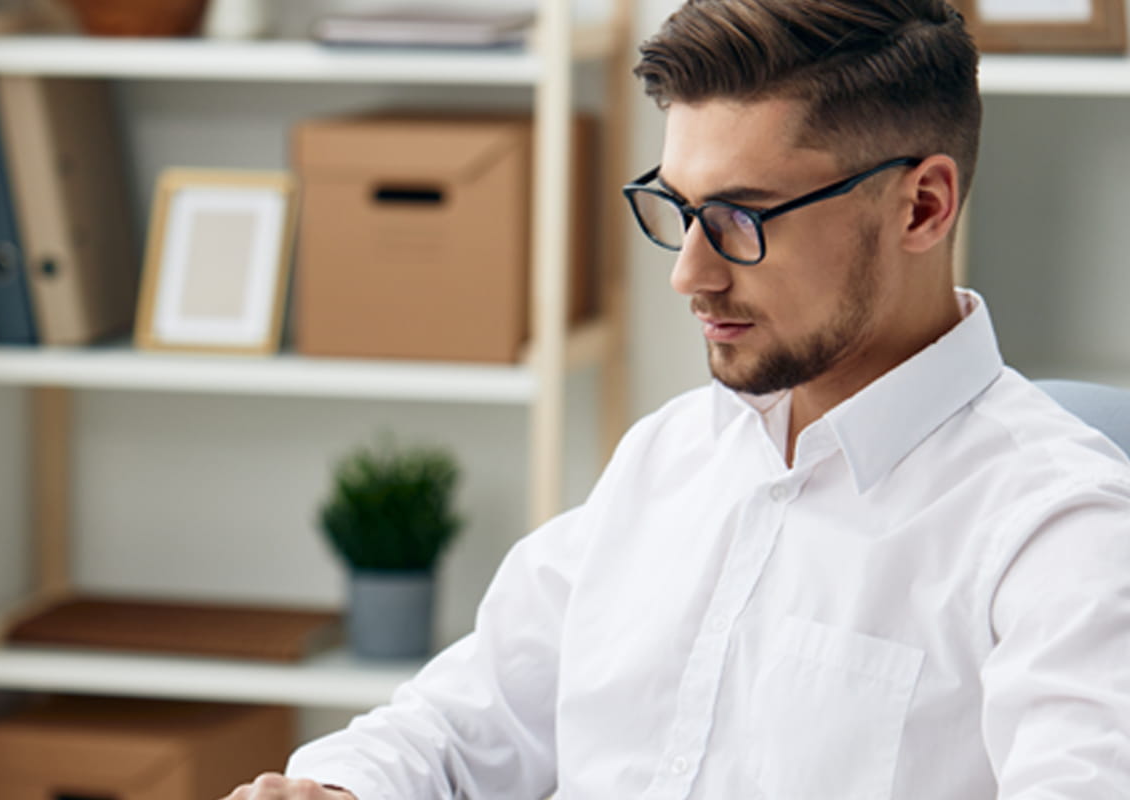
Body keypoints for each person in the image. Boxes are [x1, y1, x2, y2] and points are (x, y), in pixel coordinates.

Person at [223, 1, 1130, 798]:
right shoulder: (670, 456)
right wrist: (339, 789)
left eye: (741, 219)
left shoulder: (1060, 532)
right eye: (678, 210)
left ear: (923, 208)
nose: (689, 274)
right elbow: (470, 717)